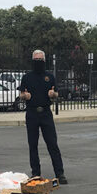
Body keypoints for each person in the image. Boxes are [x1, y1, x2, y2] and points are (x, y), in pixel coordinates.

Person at [17, 50, 67, 184]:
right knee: (33, 144)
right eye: (36, 60)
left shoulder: (49, 77)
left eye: (40, 60)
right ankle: (35, 173)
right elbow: (22, 94)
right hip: (32, 113)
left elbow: (56, 93)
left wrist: (53, 94)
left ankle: (60, 173)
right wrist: (24, 96)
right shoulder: (27, 77)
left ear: (44, 61)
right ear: (33, 61)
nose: (38, 62)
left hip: (45, 113)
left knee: (52, 143)